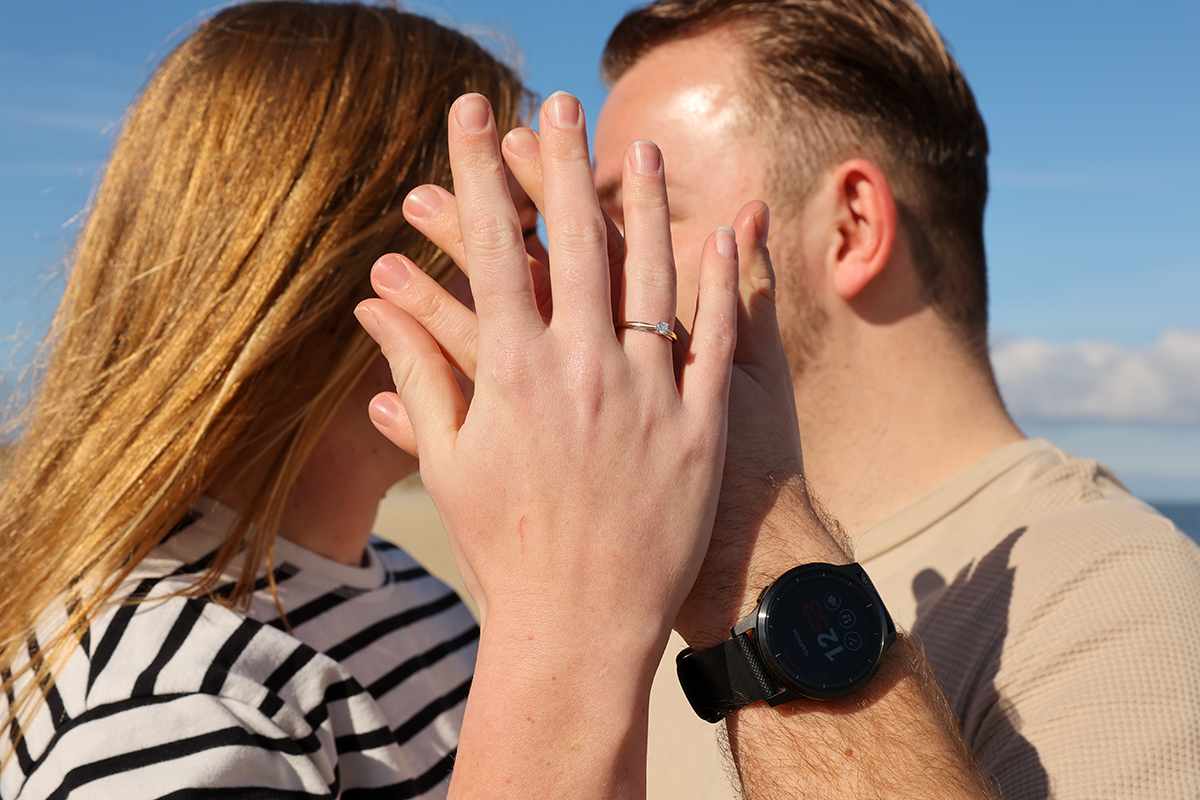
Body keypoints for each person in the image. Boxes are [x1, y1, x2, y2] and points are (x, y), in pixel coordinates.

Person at [378, 0, 1200, 797]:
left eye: (641, 213)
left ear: (849, 226)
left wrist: (744, 517)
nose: (588, 267)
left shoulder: (1127, 604)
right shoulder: (631, 551)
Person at [0, 4, 737, 798]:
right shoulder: (171, 711)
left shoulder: (394, 582)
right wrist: (574, 613)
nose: (559, 288)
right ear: (320, 274)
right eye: (517, 235)